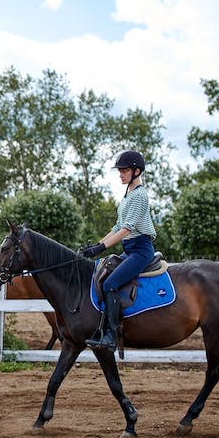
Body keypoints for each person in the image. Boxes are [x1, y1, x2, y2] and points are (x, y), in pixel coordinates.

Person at [79, 150, 157, 351]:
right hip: (129, 249)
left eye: (124, 171)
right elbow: (116, 226)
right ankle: (101, 328)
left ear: (136, 171)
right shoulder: (128, 194)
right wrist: (96, 245)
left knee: (110, 284)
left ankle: (111, 337)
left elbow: (126, 229)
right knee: (102, 277)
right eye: (120, 171)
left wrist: (101, 248)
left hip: (140, 250)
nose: (120, 174)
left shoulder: (139, 196)